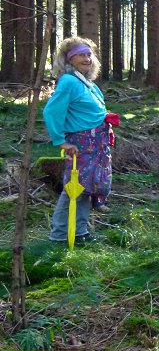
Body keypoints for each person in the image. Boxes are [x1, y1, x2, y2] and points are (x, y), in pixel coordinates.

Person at [43, 37, 115, 244]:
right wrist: (60, 141)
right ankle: (59, 235)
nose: (86, 58)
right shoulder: (68, 81)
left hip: (96, 144)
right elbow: (52, 111)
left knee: (86, 188)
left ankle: (80, 232)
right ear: (69, 59)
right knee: (74, 187)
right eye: (80, 55)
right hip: (81, 144)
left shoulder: (85, 82)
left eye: (89, 54)